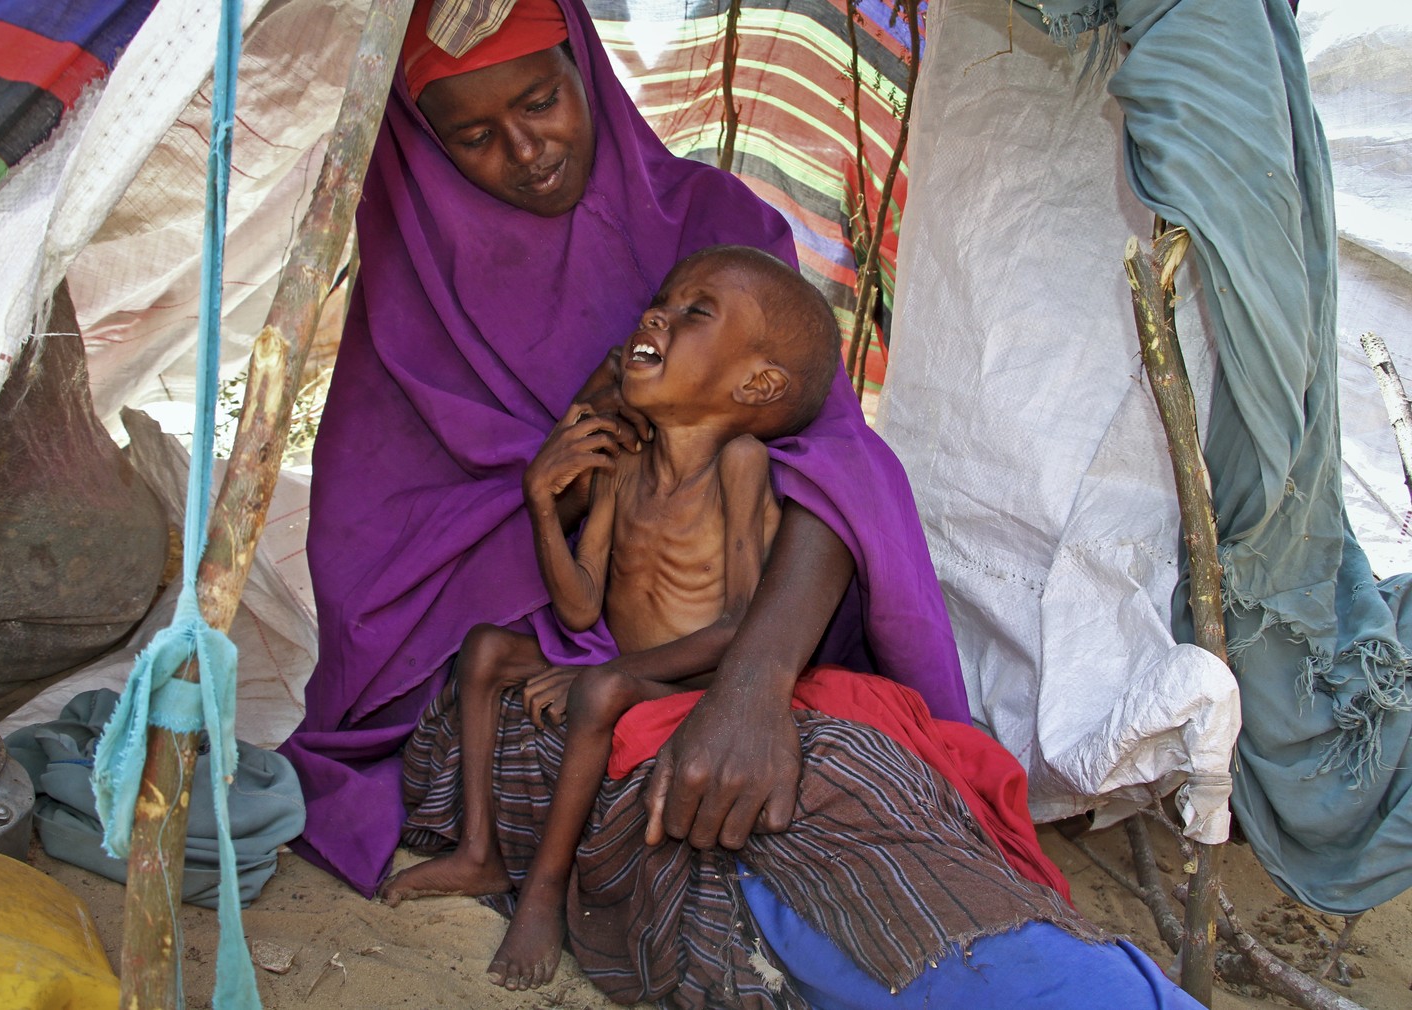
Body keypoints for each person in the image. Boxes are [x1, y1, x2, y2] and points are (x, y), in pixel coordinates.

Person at [276, 0, 968, 901]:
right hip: (537, 621)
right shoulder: (414, 300)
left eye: (539, 100)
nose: (525, 151)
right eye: (475, 136)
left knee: (856, 474)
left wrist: (754, 686)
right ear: (426, 146)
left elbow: (834, 461)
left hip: (729, 614)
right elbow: (381, 549)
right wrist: (560, 488)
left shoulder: (712, 227)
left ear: (584, 63)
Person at [382, 245, 840, 988]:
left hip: (693, 688)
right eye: (662, 300)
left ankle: (543, 895)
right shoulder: (624, 465)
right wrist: (540, 500)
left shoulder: (740, 462)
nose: (656, 313)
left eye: (696, 312)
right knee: (487, 649)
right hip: (621, 669)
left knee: (595, 692)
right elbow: (580, 604)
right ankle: (477, 850)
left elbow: (739, 626)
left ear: (757, 383)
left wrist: (608, 671)